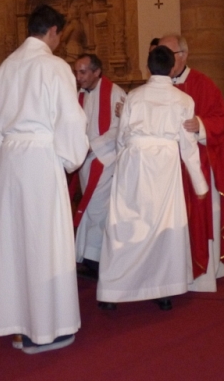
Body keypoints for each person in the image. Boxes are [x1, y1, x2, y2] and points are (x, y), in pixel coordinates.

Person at [0, 4, 89, 354]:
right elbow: (71, 120)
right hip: (41, 159)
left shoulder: (6, 67)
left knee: (16, 244)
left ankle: (19, 324)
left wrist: (10, 150)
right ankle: (46, 329)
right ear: (54, 32)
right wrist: (67, 158)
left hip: (12, 161)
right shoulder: (54, 66)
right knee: (46, 243)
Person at [97, 46, 208, 310]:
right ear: (172, 69)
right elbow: (188, 145)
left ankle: (114, 290)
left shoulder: (134, 96)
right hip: (165, 165)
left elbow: (122, 135)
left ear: (149, 67)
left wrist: (125, 159)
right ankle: (163, 288)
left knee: (125, 223)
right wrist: (199, 182)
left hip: (134, 162)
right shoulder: (183, 100)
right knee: (162, 226)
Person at [158, 34, 224, 291]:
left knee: (201, 217)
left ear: (183, 55)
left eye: (169, 54)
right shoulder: (158, 86)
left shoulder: (202, 84)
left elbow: (222, 118)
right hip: (168, 168)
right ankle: (173, 271)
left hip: (199, 166)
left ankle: (203, 273)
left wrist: (200, 125)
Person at [73, 53, 126, 278]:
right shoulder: (79, 95)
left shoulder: (115, 93)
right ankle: (88, 256)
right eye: (76, 72)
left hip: (107, 159)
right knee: (90, 208)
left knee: (97, 209)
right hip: (85, 161)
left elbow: (120, 128)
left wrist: (92, 147)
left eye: (83, 72)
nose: (78, 77)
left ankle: (96, 261)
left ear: (97, 72)